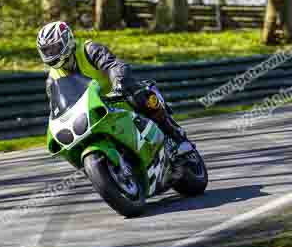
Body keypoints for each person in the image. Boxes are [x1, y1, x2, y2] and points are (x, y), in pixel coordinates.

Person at [36, 21, 193, 158]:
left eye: (55, 48)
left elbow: (114, 65)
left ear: (67, 41)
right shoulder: (52, 79)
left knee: (140, 96)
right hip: (92, 111)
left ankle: (176, 135)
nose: (51, 54)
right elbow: (57, 105)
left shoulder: (89, 50)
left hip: (118, 95)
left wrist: (119, 84)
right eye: (47, 51)